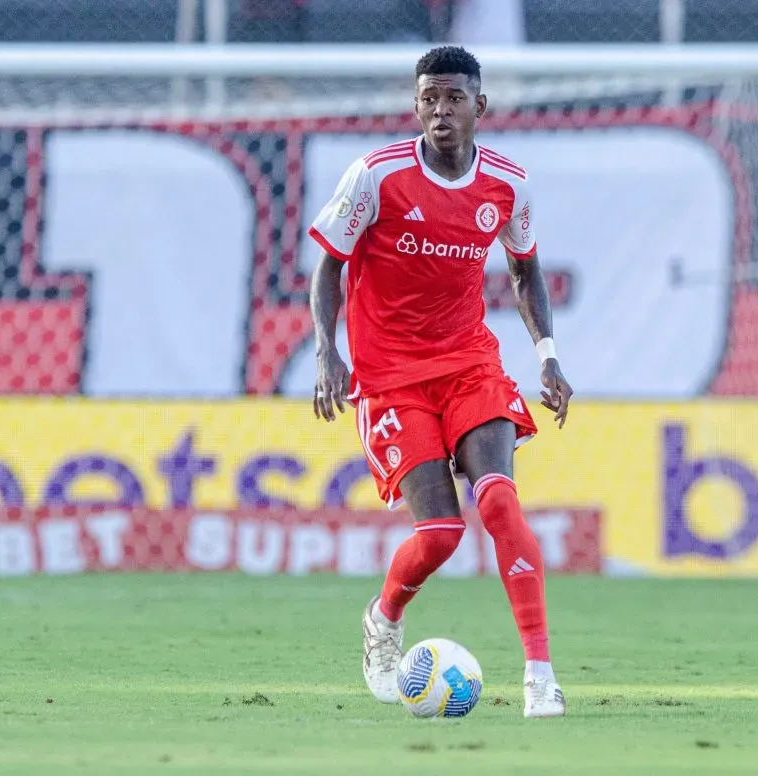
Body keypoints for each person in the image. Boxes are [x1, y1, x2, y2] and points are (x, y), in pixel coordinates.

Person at [307, 45, 572, 718]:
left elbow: (525, 270)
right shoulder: (377, 176)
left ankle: (540, 675)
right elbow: (329, 267)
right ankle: (385, 618)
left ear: (479, 106)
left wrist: (546, 354)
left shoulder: (508, 185)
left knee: (501, 504)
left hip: (468, 364)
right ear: (416, 104)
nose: (440, 111)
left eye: (454, 98)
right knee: (443, 535)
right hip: (391, 377)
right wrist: (325, 351)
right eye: (429, 99)